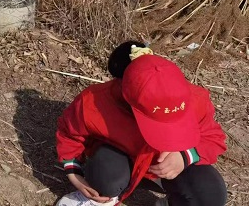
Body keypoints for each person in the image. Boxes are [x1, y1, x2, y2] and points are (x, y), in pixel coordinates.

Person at [55, 42, 227, 206]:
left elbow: (213, 138)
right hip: (119, 163)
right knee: (106, 177)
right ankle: (103, 198)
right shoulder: (94, 103)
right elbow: (69, 133)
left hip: (162, 169)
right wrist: (73, 171)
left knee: (210, 194)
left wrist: (185, 156)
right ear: (126, 92)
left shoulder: (194, 100)